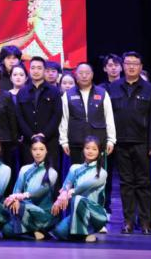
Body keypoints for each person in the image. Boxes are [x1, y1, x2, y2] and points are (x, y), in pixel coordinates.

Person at [59, 62, 114, 230]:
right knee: (78, 182)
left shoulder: (102, 93)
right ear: (76, 75)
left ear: (92, 75)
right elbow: (64, 119)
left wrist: (111, 140)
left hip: (98, 144)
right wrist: (64, 141)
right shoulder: (68, 95)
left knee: (99, 183)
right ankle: (77, 217)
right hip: (76, 143)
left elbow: (109, 118)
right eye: (80, 73)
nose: (84, 76)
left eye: (87, 73)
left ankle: (98, 219)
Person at [107, 51, 151, 234]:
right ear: (123, 66)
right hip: (120, 143)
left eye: (135, 64)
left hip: (142, 143)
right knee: (126, 184)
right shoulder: (113, 87)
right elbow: (108, 116)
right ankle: (128, 221)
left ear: (141, 67)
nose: (131, 66)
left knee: (143, 183)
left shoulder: (149, 88)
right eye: (128, 63)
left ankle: (145, 222)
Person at [51, 136, 109, 242]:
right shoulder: (75, 168)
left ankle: (82, 235)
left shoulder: (102, 173)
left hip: (95, 215)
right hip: (77, 214)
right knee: (59, 231)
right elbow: (66, 186)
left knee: (78, 198)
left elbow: (82, 187)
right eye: (87, 148)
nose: (90, 151)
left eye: (94, 149)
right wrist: (62, 196)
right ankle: (82, 235)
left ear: (99, 152)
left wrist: (70, 192)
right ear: (83, 149)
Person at [2, 135, 59, 239]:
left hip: (42, 214)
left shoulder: (52, 172)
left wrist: (22, 196)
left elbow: (40, 192)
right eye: (34, 149)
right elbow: (17, 190)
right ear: (31, 151)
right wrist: (15, 199)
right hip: (24, 211)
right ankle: (35, 234)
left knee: (22, 206)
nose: (38, 152)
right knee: (6, 229)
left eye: (41, 149)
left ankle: (34, 230)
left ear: (46, 151)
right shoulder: (24, 169)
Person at [16, 56, 63, 175]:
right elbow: (19, 117)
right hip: (28, 142)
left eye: (39, 68)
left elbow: (57, 115)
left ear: (44, 70)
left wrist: (44, 135)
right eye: (33, 68)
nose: (35, 71)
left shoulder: (54, 91)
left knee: (50, 175)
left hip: (50, 141)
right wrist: (31, 135)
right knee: (29, 175)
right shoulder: (22, 92)